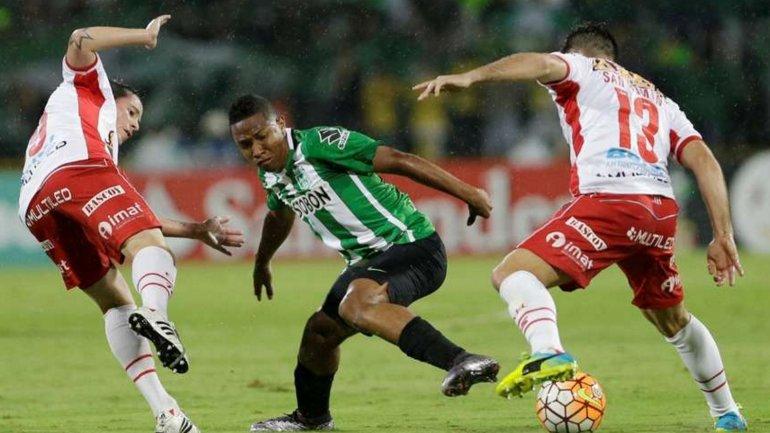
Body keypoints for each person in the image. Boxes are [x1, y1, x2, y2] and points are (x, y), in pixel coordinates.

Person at [414, 22, 747, 432]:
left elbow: (538, 63)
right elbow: (704, 160)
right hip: (659, 212)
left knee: (512, 273)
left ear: (575, 53)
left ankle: (548, 350)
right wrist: (723, 235)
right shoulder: (661, 100)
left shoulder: (584, 67)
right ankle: (727, 414)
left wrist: (472, 77)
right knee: (673, 321)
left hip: (610, 199)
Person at [18, 16, 244, 433]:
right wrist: (145, 36)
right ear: (112, 94)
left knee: (116, 301)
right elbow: (80, 38)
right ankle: (157, 312)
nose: (136, 123)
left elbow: (136, 223)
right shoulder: (90, 87)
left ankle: (167, 413)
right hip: (76, 170)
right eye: (133, 111)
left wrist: (196, 230)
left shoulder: (77, 131)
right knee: (152, 252)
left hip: (35, 203)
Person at [229, 94, 499, 431]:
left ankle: (462, 360)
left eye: (262, 137)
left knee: (354, 305)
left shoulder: (319, 144)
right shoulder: (270, 173)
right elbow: (279, 214)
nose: (256, 150)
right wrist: (262, 261)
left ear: (280, 124)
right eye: (245, 145)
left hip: (411, 245)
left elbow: (399, 159)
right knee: (320, 334)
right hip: (365, 262)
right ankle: (312, 419)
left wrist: (469, 193)